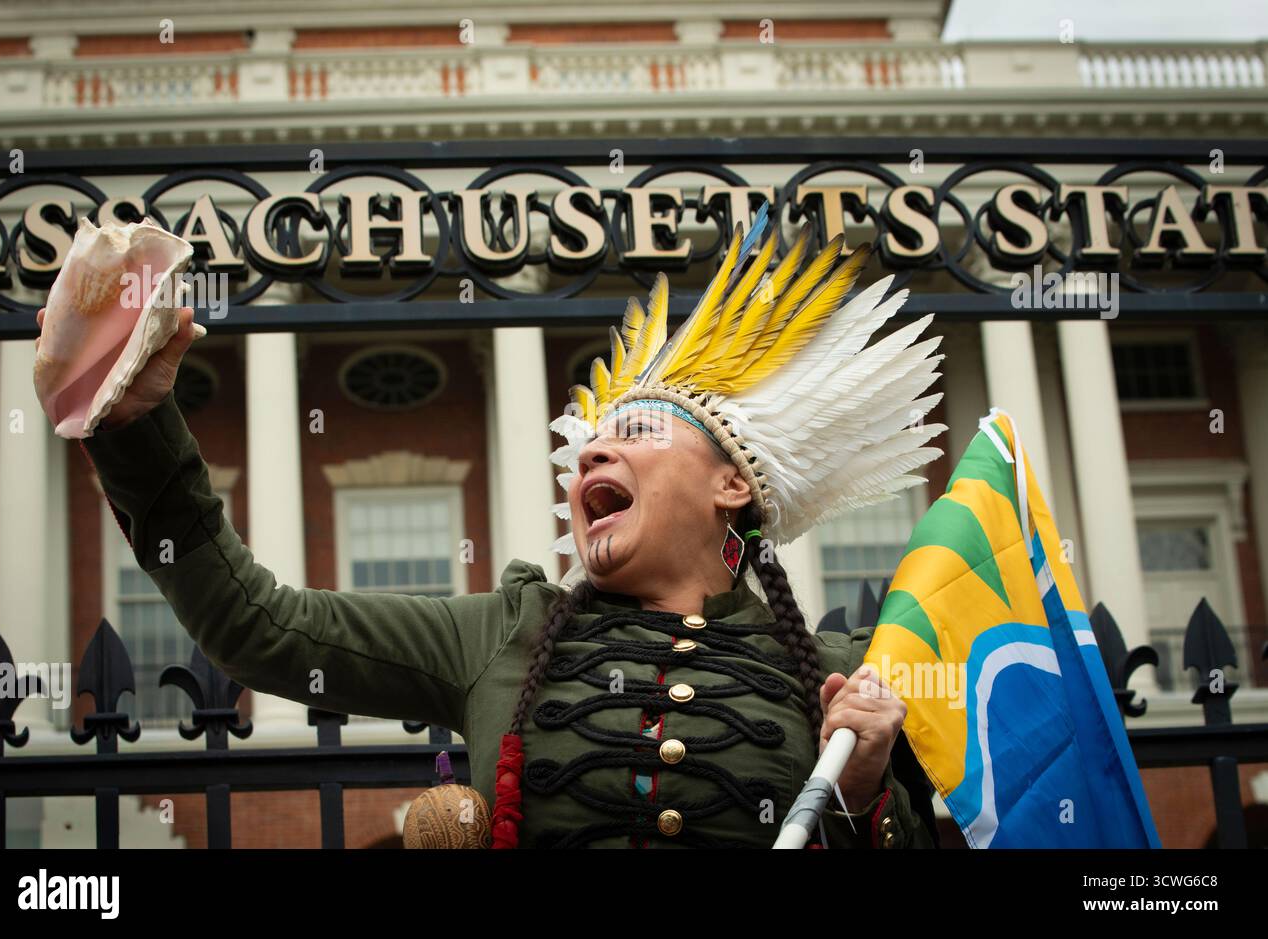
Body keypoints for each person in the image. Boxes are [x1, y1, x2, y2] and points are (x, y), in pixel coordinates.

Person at [47, 221, 944, 849]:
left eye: (633, 433)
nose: (593, 445)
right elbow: (259, 625)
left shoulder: (836, 681)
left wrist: (861, 791)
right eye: (586, 441)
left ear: (732, 483)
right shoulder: (501, 634)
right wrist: (136, 424)